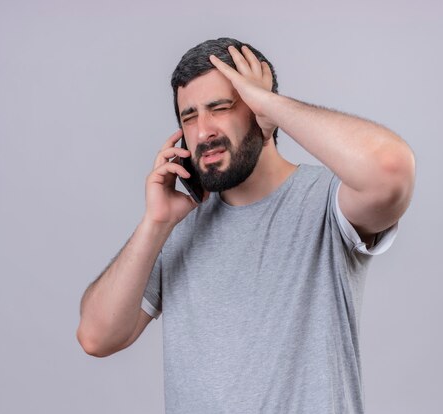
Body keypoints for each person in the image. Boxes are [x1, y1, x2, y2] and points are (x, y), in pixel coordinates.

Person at [77, 37, 415, 413]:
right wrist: (155, 222)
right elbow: (96, 337)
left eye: (219, 108)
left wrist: (270, 104)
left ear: (259, 110)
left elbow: (390, 169)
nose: (203, 131)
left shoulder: (327, 202)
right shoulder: (177, 224)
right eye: (189, 117)